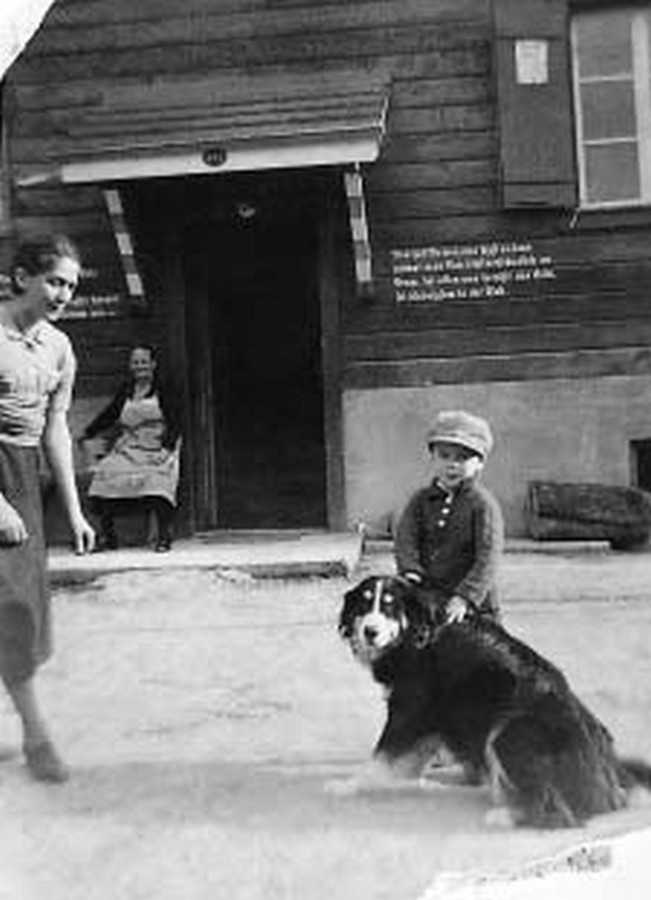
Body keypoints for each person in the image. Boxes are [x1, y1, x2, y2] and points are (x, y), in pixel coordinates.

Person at [0, 234, 95, 783]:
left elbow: (56, 427)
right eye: (55, 281)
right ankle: (37, 739)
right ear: (22, 278)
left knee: (23, 610)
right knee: (11, 608)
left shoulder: (58, 346)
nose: (63, 294)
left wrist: (74, 510)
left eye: (72, 287)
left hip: (23, 481)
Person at [394, 409, 504, 624]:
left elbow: (488, 557)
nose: (452, 465)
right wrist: (410, 571)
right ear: (432, 458)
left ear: (480, 463)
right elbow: (405, 539)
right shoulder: (420, 500)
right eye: (444, 456)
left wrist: (465, 597)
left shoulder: (482, 504)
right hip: (428, 598)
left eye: (462, 458)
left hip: (474, 606)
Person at [80, 344, 182, 552]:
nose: (139, 366)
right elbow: (110, 414)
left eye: (144, 362)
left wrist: (167, 449)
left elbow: (176, 421)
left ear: (153, 364)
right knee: (106, 473)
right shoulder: (127, 389)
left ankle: (164, 536)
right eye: (135, 362)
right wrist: (89, 432)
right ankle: (109, 536)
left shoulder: (164, 389)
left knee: (158, 478)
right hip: (128, 447)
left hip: (155, 448)